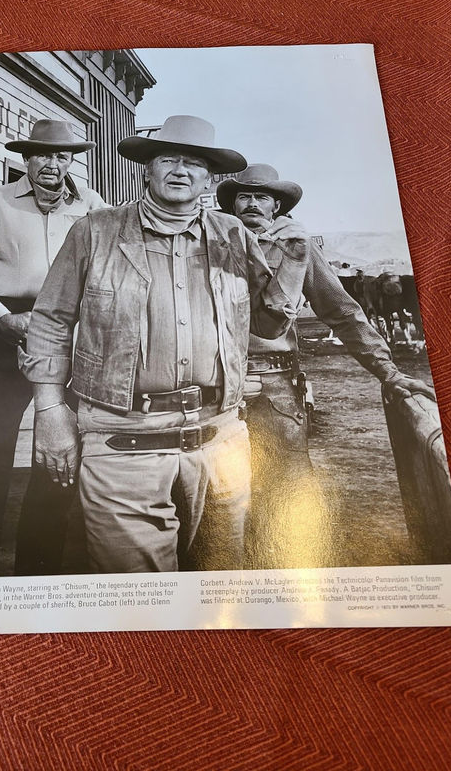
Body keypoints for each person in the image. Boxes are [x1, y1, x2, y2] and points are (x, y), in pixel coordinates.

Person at [19, 116, 310, 574]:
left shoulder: (233, 236)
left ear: (210, 180)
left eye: (194, 163)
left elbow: (270, 326)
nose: (181, 170)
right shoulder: (95, 231)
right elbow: (51, 320)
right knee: (139, 598)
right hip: (123, 443)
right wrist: (50, 410)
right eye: (168, 159)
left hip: (222, 441)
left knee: (218, 591)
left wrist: (293, 261)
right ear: (146, 172)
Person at [216, 164, 435, 568]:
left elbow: (343, 313)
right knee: (218, 493)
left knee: (287, 489)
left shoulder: (296, 244)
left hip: (274, 384)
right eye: (243, 196)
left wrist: (387, 371)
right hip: (213, 386)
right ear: (231, 204)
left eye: (261, 196)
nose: (251, 203)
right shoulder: (212, 240)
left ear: (277, 205)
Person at [0, 119, 107, 577]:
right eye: (42, 155)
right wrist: (2, 318)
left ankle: (39, 578)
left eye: (61, 156)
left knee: (56, 464)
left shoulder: (93, 207)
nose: (52, 165)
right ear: (26, 159)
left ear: (72, 160)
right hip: (5, 337)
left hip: (69, 343)